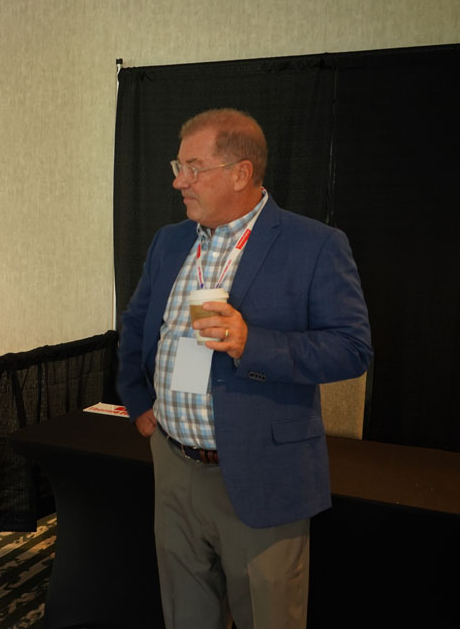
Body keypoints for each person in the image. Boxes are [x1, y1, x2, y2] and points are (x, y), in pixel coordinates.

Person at [117, 109, 372, 629]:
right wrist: (139, 402)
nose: (178, 181)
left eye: (193, 168)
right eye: (178, 166)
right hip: (174, 463)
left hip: (262, 472)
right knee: (186, 615)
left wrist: (252, 344)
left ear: (241, 173)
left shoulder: (315, 245)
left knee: (268, 616)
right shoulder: (170, 241)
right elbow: (137, 324)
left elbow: (351, 349)